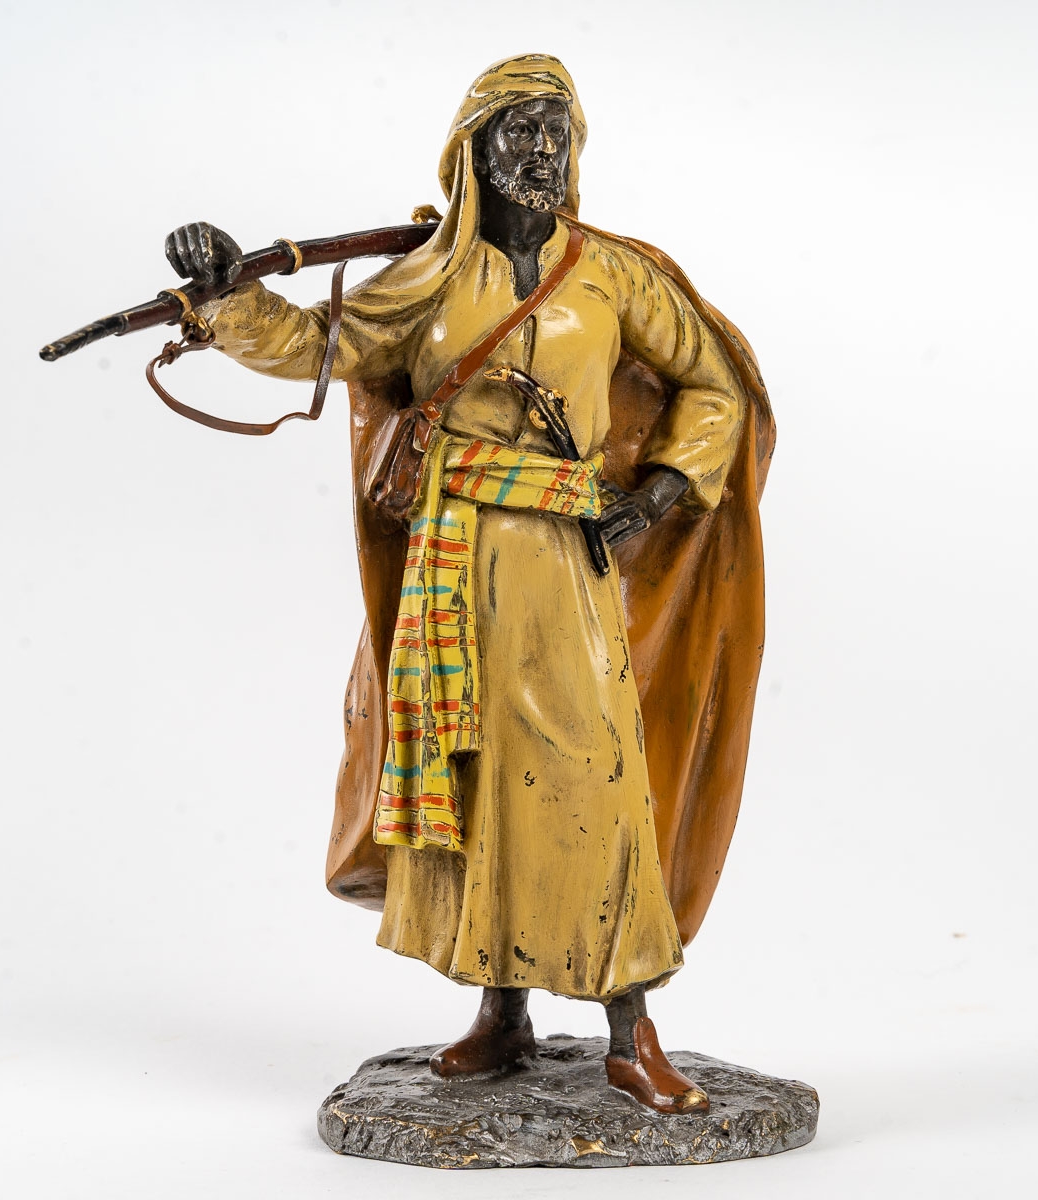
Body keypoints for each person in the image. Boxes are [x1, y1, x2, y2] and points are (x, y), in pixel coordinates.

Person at [164, 53, 775, 1115]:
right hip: (453, 558)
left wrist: (662, 492)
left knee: (593, 774)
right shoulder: (432, 278)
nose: (541, 151)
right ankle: (502, 1011)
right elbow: (321, 346)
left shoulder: (612, 275)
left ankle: (629, 1026)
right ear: (472, 151)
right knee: (474, 774)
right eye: (518, 131)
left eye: (556, 131)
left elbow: (710, 382)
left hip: (567, 556)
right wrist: (230, 297)